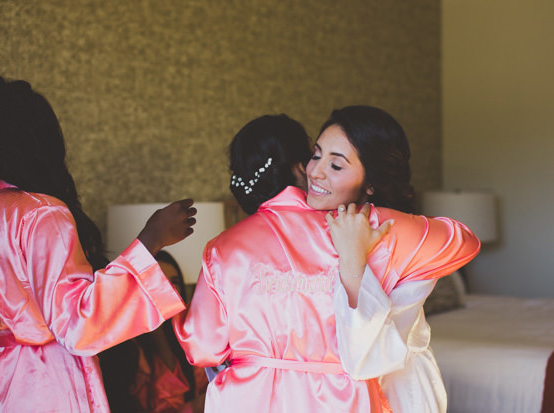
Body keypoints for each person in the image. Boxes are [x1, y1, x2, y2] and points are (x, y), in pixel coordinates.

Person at [174, 109, 480, 412]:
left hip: (246, 399)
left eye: (335, 164)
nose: (317, 171)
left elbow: (201, 348)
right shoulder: (371, 227)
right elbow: (463, 241)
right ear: (300, 163)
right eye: (315, 156)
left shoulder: (224, 248)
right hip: (340, 400)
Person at [0, 65, 196, 412]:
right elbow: (78, 325)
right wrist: (150, 242)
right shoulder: (41, 213)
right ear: (36, 142)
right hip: (44, 388)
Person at [100, 250, 208, 412]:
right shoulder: (127, 346)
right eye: (162, 281)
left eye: (175, 281)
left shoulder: (193, 335)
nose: (171, 289)